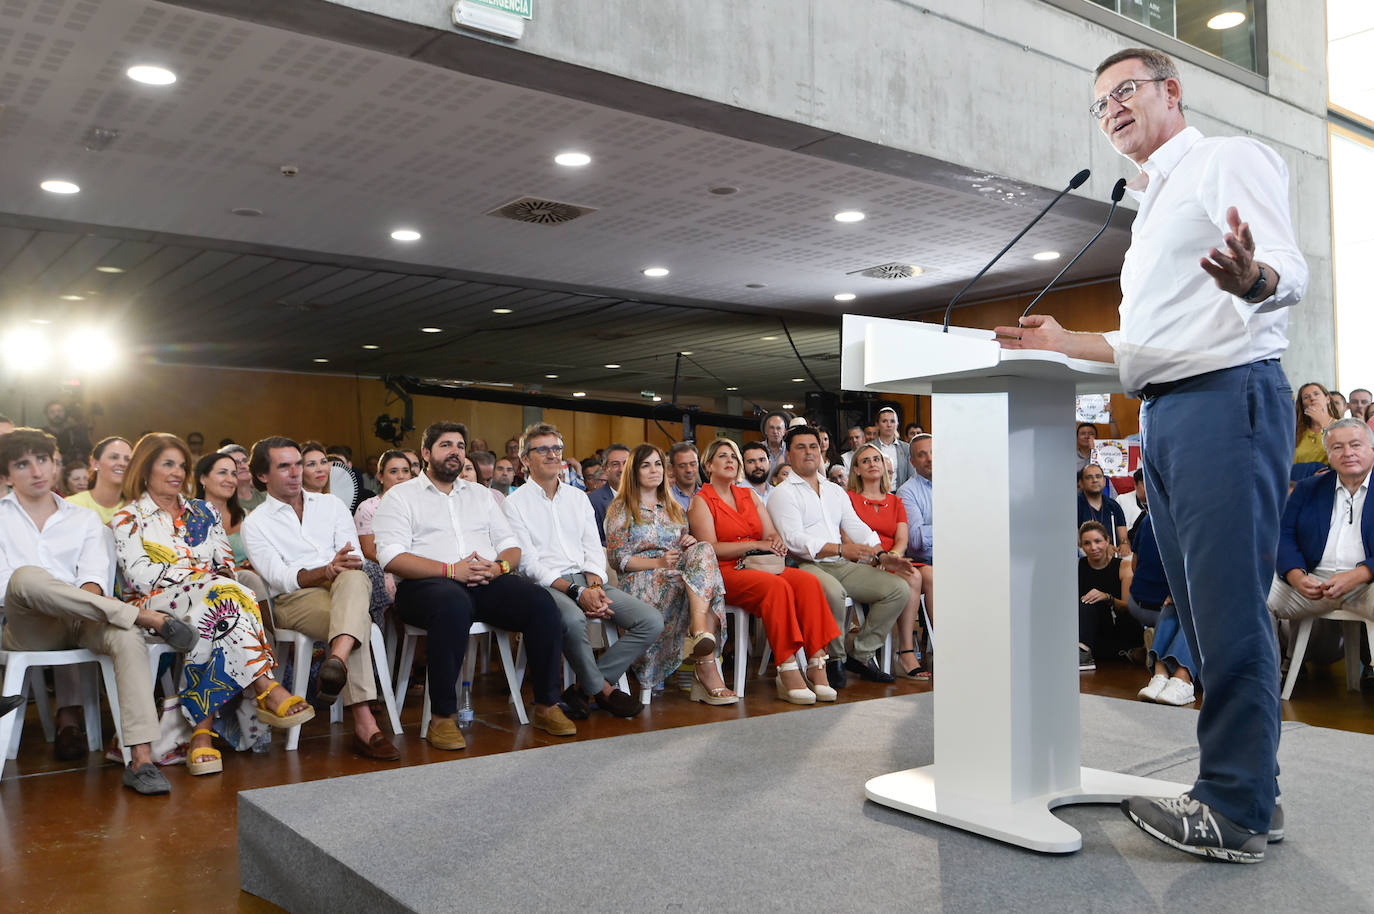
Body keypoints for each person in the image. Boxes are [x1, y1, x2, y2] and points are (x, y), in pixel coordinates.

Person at [998, 46, 1306, 860]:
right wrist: (1068, 339)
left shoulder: (1224, 160)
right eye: (1100, 105)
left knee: (1230, 608)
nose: (1113, 111)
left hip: (1225, 401)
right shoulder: (1150, 208)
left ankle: (1232, 807)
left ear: (1173, 91)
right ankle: (1252, 794)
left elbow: (1287, 269)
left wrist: (1254, 279)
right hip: (1170, 410)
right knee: (1199, 614)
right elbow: (1149, 344)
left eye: (1125, 91)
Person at [0, 428, 198, 794]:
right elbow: (6, 585)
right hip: (29, 625)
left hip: (85, 618)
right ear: (7, 475)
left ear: (54, 463)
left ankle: (141, 759)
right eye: (22, 464)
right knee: (27, 578)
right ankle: (143, 617)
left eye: (43, 460)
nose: (37, 471)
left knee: (125, 637)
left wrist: (81, 601)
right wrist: (64, 595)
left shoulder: (83, 519)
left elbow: (93, 580)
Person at [113, 433, 313, 777]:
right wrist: (199, 575)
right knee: (226, 594)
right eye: (168, 464)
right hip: (154, 609)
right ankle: (264, 685)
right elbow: (141, 577)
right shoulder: (128, 519)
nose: (178, 472)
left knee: (221, 601)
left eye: (182, 465)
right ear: (145, 470)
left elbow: (225, 565)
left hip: (209, 603)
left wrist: (203, 578)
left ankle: (201, 732)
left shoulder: (204, 511)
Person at [372, 421, 574, 749]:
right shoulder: (401, 497)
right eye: (446, 445)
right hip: (425, 586)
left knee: (539, 601)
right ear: (426, 453)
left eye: (460, 446)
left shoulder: (480, 495)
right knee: (452, 604)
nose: (455, 452)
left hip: (484, 581)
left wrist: (499, 567)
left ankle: (547, 705)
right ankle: (442, 718)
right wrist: (451, 570)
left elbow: (511, 546)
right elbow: (391, 557)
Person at [241, 437, 397, 761]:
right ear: (262, 476)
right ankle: (365, 722)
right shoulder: (256, 523)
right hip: (294, 600)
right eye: (284, 466)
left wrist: (337, 569)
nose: (295, 472)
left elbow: (351, 556)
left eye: (298, 463)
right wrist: (325, 570)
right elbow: (278, 577)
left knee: (356, 576)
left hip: (344, 586)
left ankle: (335, 662)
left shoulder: (331, 505)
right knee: (356, 623)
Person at [503, 424, 657, 719]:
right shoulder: (514, 504)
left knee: (650, 620)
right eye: (543, 449)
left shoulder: (578, 498)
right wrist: (576, 591)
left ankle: (584, 688)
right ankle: (605, 692)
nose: (552, 455)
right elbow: (529, 564)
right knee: (573, 620)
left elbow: (592, 547)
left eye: (557, 449)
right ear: (525, 459)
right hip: (546, 585)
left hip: (587, 579)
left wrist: (595, 585)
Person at [689, 438, 841, 704]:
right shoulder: (701, 501)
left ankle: (817, 663)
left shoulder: (749, 495)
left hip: (760, 565)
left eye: (734, 457)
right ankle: (787, 668)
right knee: (777, 587)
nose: (730, 462)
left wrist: (775, 542)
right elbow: (709, 548)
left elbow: (769, 533)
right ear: (708, 465)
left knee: (808, 582)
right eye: (723, 456)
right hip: (725, 572)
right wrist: (755, 544)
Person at [767, 426, 908, 688]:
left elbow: (856, 526)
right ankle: (834, 660)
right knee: (833, 592)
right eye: (800, 447)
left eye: (813, 446)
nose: (809, 452)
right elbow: (793, 540)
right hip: (802, 565)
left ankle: (861, 654)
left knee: (898, 588)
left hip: (839, 563)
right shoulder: (782, 493)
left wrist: (882, 555)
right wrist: (841, 549)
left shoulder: (834, 490)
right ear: (788, 454)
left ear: (821, 451)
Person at [604, 443, 735, 705]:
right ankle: (706, 667)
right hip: (643, 579)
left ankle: (699, 633)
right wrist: (659, 563)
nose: (654, 470)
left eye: (657, 464)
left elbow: (680, 546)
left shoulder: (672, 507)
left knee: (703, 549)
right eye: (646, 465)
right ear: (634, 471)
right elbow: (619, 560)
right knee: (700, 588)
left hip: (676, 574)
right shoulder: (622, 508)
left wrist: (685, 541)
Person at [1268, 418, 1374, 664]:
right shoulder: (1308, 488)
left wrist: (1359, 574)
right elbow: (1284, 534)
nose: (1347, 453)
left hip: (1367, 586)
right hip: (1314, 585)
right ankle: (1264, 680)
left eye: (1355, 445)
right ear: (1328, 454)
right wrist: (1296, 575)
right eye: (1337, 447)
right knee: (1256, 595)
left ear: (1371, 448)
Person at [846, 443, 929, 679]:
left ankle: (906, 650)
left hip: (892, 558)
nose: (872, 464)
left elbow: (902, 539)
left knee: (915, 574)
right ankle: (903, 652)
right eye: (865, 461)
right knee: (912, 577)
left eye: (877, 460)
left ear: (884, 466)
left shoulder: (895, 501)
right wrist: (875, 558)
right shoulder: (848, 499)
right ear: (857, 470)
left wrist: (891, 557)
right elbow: (847, 536)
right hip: (863, 561)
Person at [1127, 511, 1196, 706]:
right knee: (1175, 604)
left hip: (1141, 601)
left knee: (1192, 609)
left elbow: (1135, 564)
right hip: (1175, 594)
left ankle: (1181, 675)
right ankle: (1162, 673)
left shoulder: (1152, 517)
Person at [353, 448, 413, 612]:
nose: (401, 476)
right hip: (386, 568)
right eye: (393, 471)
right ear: (380, 476)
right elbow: (368, 551)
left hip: (418, 565)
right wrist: (402, 565)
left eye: (405, 471)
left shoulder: (420, 505)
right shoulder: (368, 507)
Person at [1077, 521, 1137, 671]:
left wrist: (1107, 597)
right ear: (1081, 546)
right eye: (1087, 543)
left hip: (1118, 622)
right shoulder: (1077, 566)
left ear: (1107, 541)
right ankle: (1084, 651)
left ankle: (1129, 651)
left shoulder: (1123, 567)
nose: (1093, 547)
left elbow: (1128, 607)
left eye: (1098, 541)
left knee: (1090, 603)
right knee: (1086, 604)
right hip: (1090, 627)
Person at [195, 452, 248, 567]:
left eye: (234, 474)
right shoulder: (188, 519)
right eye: (222, 473)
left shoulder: (247, 516)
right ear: (203, 479)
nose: (230, 479)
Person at [65, 436, 131, 525]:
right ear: (95, 463)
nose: (122, 463)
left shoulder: (136, 507)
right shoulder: (72, 505)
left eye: (127, 459)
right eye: (114, 457)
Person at [1078, 464, 1131, 557]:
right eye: (1089, 477)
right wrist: (1103, 547)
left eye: (1098, 476)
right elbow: (1078, 542)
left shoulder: (1114, 505)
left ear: (1104, 480)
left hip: (1112, 555)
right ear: (1081, 483)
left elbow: (1123, 537)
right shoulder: (1075, 505)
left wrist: (1124, 544)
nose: (1095, 480)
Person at [588, 443, 630, 544]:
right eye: (615, 464)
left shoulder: (646, 497)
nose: (621, 469)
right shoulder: (592, 500)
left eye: (626, 463)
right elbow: (593, 541)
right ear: (605, 469)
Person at [1293, 382, 1339, 472]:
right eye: (1306, 397)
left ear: (1328, 399)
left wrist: (1324, 424)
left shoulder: (1342, 425)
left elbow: (1341, 454)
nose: (1312, 398)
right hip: (1301, 481)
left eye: (1316, 394)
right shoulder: (1296, 431)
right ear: (1302, 405)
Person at [218, 443, 268, 513]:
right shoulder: (223, 505)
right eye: (236, 463)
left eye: (245, 461)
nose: (243, 466)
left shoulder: (267, 497)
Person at [871, 407, 912, 490]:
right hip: (876, 493)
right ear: (877, 425)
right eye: (884, 421)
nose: (889, 425)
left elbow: (911, 476)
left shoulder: (906, 448)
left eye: (892, 421)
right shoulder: (870, 448)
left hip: (901, 494)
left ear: (897, 424)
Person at [667, 441, 700, 511]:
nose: (689, 470)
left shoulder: (709, 496)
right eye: (682, 466)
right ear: (672, 468)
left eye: (693, 464)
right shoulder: (666, 499)